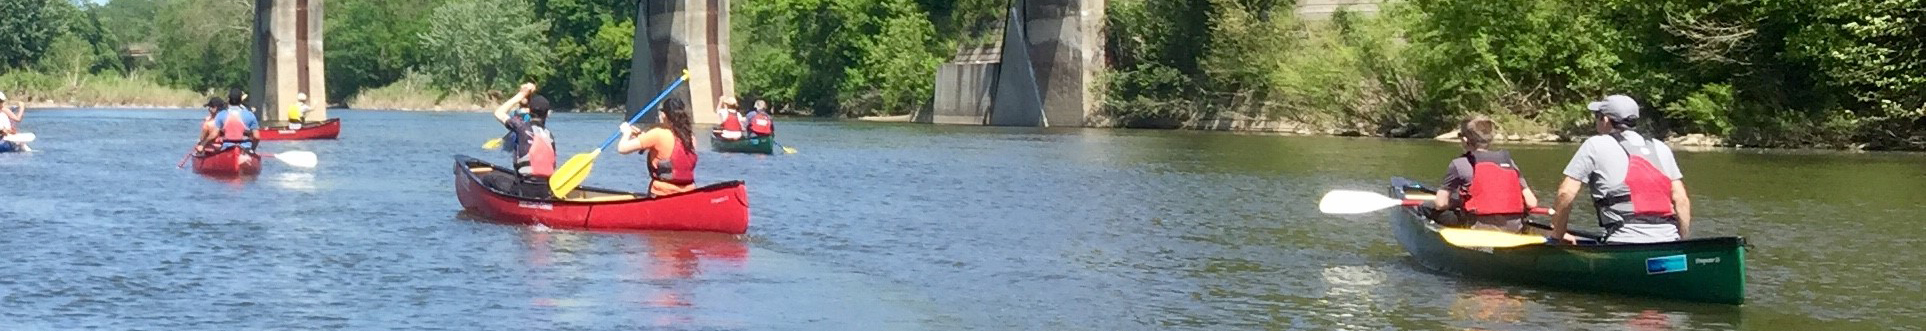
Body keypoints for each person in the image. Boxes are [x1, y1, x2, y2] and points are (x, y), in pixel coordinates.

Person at [1547, 95, 1693, 243]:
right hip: (1669, 240)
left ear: (1605, 120)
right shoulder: (1660, 147)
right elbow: (1681, 200)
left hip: (1623, 241)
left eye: (1597, 116)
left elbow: (1566, 193)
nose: (1596, 121)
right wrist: (1682, 242)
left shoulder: (1595, 145)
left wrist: (1557, 235)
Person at [1430, 115, 1539, 233]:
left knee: (1425, 208)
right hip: (1514, 228)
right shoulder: (1509, 163)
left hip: (1479, 228)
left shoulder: (1459, 164)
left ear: (1465, 140)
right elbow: (1532, 202)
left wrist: (1455, 203)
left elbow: (1440, 204)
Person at [616, 98, 699, 196]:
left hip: (662, 193)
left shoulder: (657, 134)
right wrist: (640, 135)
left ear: (664, 115)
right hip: (689, 192)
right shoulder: (690, 137)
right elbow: (667, 147)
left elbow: (622, 148)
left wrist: (626, 133)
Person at [491, 83, 558, 198]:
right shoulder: (549, 136)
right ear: (547, 115)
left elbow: (499, 113)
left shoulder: (521, 127)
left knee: (489, 178)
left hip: (524, 190)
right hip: (544, 191)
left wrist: (521, 94)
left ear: (529, 111)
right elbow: (553, 166)